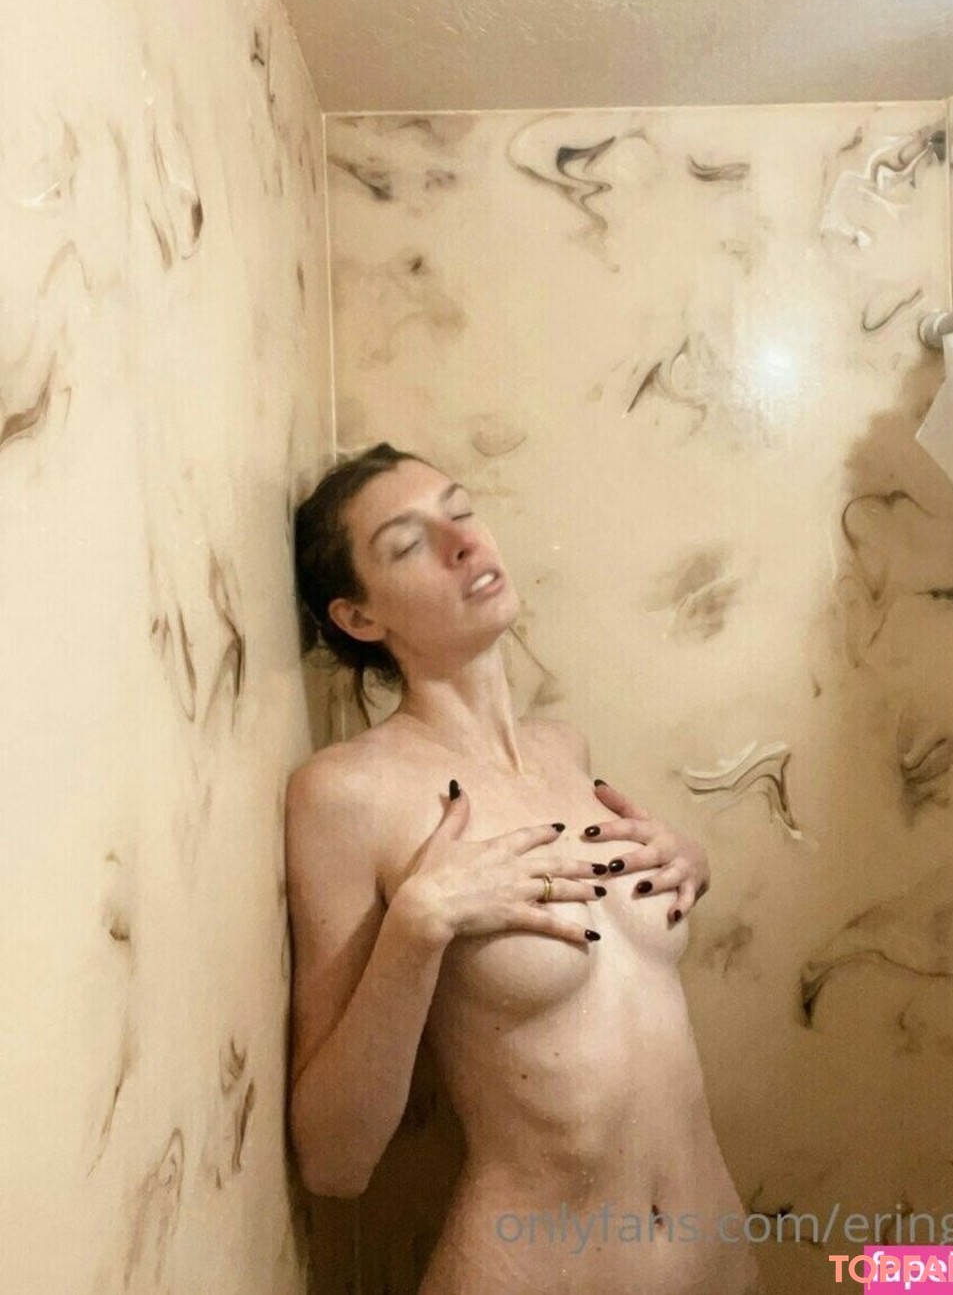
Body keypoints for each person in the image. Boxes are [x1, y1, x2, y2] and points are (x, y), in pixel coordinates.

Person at [286, 442, 760, 1295]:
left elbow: (615, 982)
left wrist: (689, 866)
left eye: (461, 511)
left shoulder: (564, 752)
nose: (463, 543)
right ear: (359, 616)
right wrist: (418, 926)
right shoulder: (345, 794)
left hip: (718, 1263)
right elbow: (333, 1160)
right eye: (409, 542)